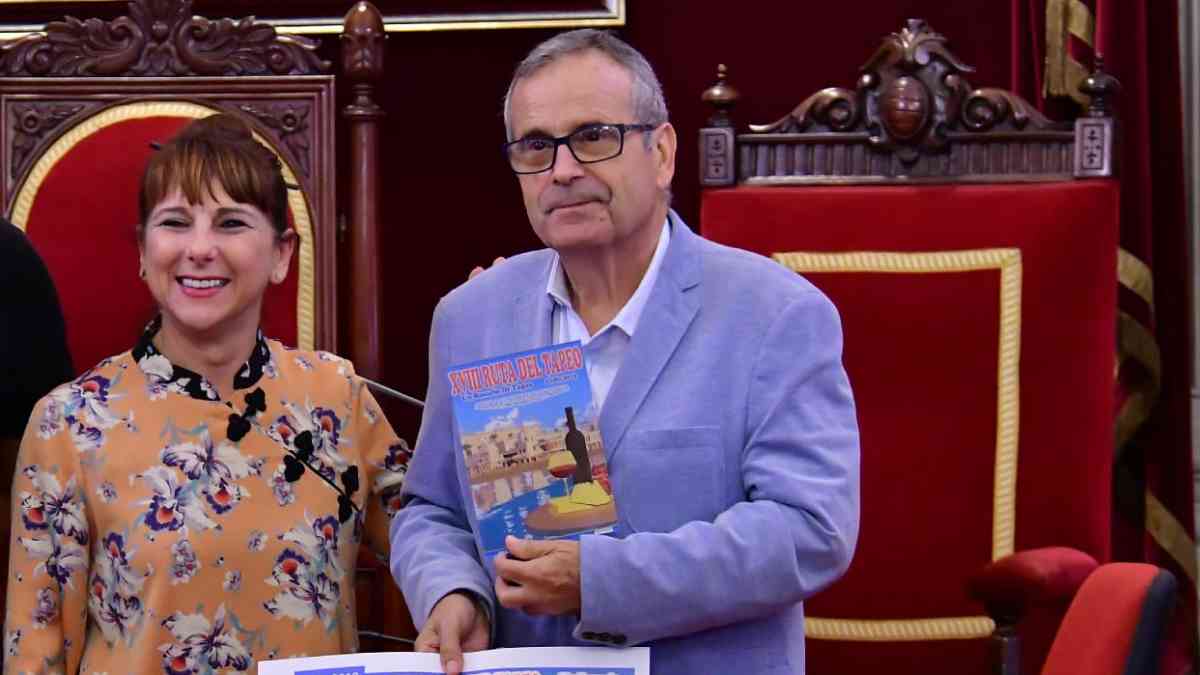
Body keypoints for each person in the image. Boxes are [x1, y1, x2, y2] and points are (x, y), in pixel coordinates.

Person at [390, 29, 860, 675]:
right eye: (536, 146)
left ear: (661, 152)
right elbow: (431, 509)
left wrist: (602, 579)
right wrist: (452, 589)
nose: (562, 170)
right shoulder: (474, 316)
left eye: (592, 137)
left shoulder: (774, 313)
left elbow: (810, 530)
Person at [3, 114, 410, 674]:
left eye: (231, 223)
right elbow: (37, 650)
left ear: (281, 254)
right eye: (175, 222)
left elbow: (435, 542)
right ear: (143, 252)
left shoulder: (335, 397)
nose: (199, 248)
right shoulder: (68, 423)